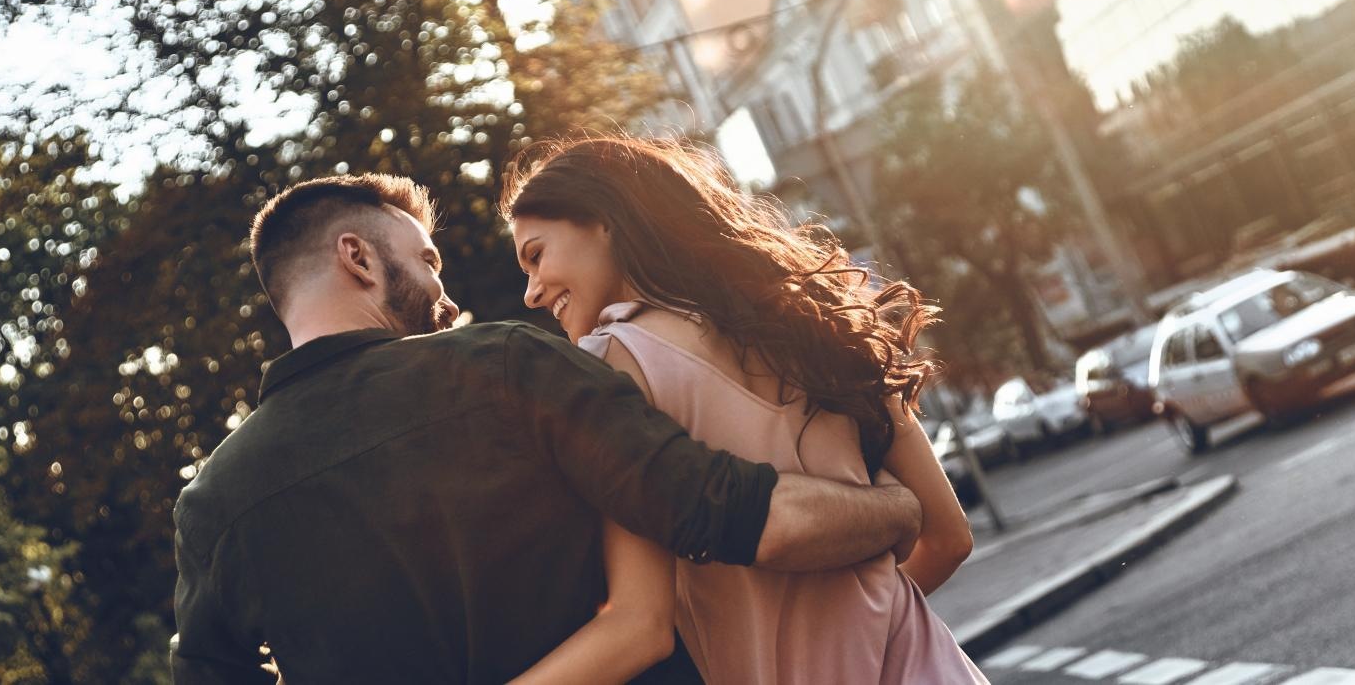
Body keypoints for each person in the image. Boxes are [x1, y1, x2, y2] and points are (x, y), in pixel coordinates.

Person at [170, 173, 926, 684]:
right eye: (426, 259)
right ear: (358, 258)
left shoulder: (215, 504)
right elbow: (736, 514)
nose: (443, 288)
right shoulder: (503, 367)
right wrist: (897, 509)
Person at [502, 136, 987, 683]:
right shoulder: (818, 320)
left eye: (536, 255)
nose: (531, 293)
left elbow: (638, 619)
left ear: (603, 221)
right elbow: (949, 538)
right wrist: (860, 624)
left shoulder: (610, 369)